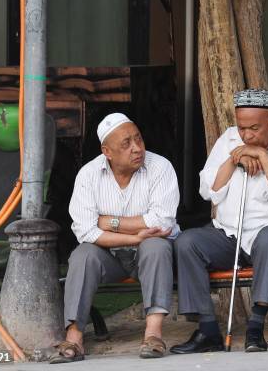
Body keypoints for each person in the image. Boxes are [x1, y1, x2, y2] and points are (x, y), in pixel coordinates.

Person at [171, 89, 268, 354]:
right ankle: (208, 330)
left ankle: (256, 326)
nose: (246, 135)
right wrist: (233, 159)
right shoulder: (229, 139)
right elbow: (207, 190)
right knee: (187, 243)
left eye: (254, 128)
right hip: (229, 233)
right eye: (242, 127)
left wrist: (264, 157)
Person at [50, 113, 180, 363]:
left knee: (155, 245)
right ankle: (74, 337)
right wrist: (134, 236)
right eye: (126, 144)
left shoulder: (160, 167)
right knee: (83, 254)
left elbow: (162, 222)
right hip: (109, 257)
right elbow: (85, 232)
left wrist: (109, 222)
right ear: (107, 151)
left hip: (151, 255)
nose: (137, 148)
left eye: (138, 139)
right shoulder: (88, 175)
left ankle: (153, 334)